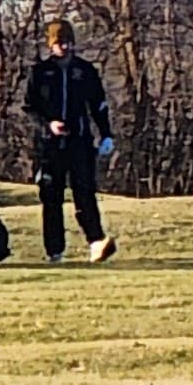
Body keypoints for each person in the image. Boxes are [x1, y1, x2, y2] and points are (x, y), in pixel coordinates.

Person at [24, 16, 115, 263]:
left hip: (80, 143)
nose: (64, 46)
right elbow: (30, 107)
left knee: (84, 192)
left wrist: (106, 134)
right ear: (50, 44)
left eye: (68, 42)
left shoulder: (85, 71)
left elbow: (98, 105)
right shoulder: (40, 72)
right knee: (51, 197)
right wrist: (49, 124)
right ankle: (55, 251)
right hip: (50, 147)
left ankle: (96, 242)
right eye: (59, 42)